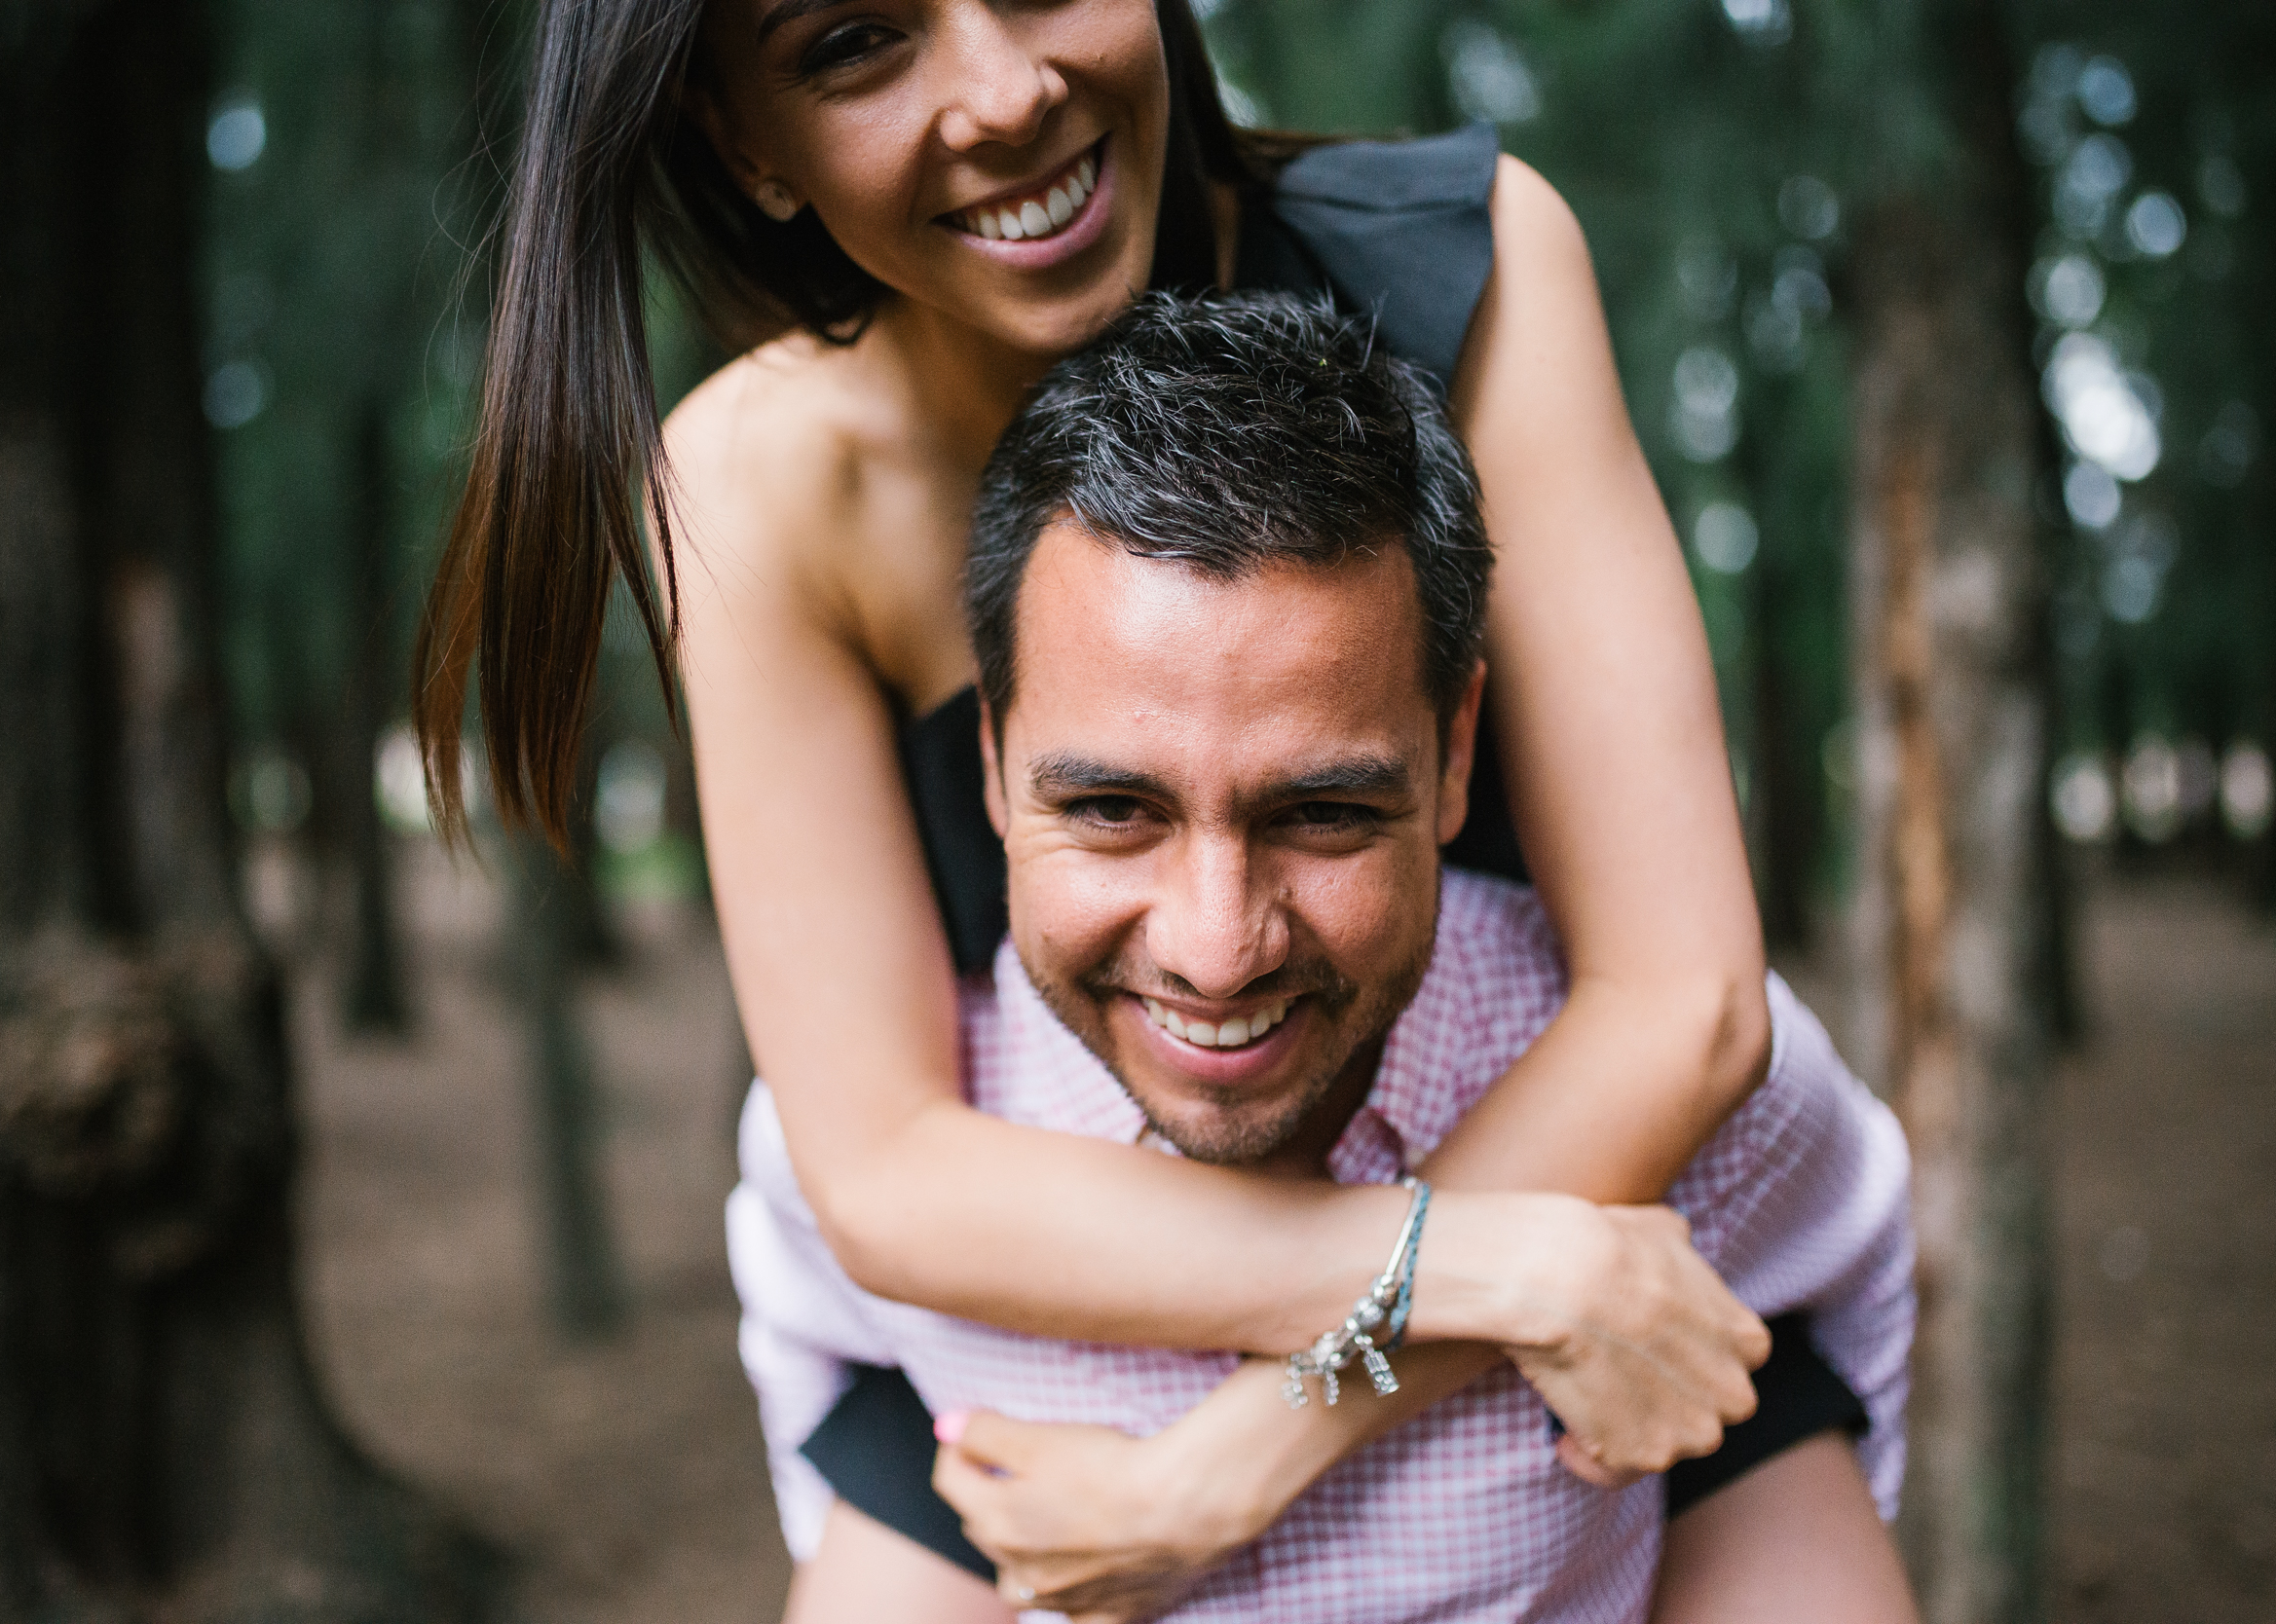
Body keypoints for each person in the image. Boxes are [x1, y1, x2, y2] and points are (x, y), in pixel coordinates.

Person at [410, 0, 1887, 1609]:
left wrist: (1236, 1462)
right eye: (854, 42)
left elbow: (1682, 1003)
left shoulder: (1472, 272)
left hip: (1602, 1238)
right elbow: (894, 1168)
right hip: (1059, 1329)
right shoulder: (760, 492)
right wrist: (1475, 1267)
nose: (1005, 93)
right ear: (742, 142)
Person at [728, 293, 1918, 1622]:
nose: (1217, 948)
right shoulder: (866, 1157)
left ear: (1456, 752)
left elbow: (1849, 1297)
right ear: (994, 760)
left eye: (1323, 815)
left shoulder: (1693, 1125)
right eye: (1114, 810)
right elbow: (820, 1413)